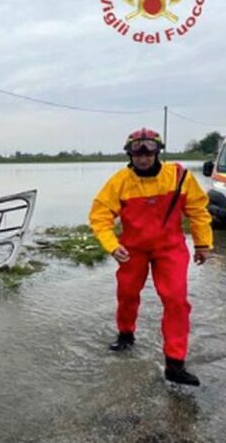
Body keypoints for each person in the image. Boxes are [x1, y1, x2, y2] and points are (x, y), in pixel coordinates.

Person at [89, 128, 212, 386]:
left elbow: (198, 211)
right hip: (132, 249)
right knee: (127, 294)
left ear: (157, 152)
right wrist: (112, 246)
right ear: (130, 154)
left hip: (170, 249)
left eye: (149, 152)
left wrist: (203, 244)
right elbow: (100, 216)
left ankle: (175, 364)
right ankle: (125, 335)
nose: (143, 158)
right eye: (137, 153)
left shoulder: (179, 176)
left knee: (176, 301)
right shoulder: (119, 181)